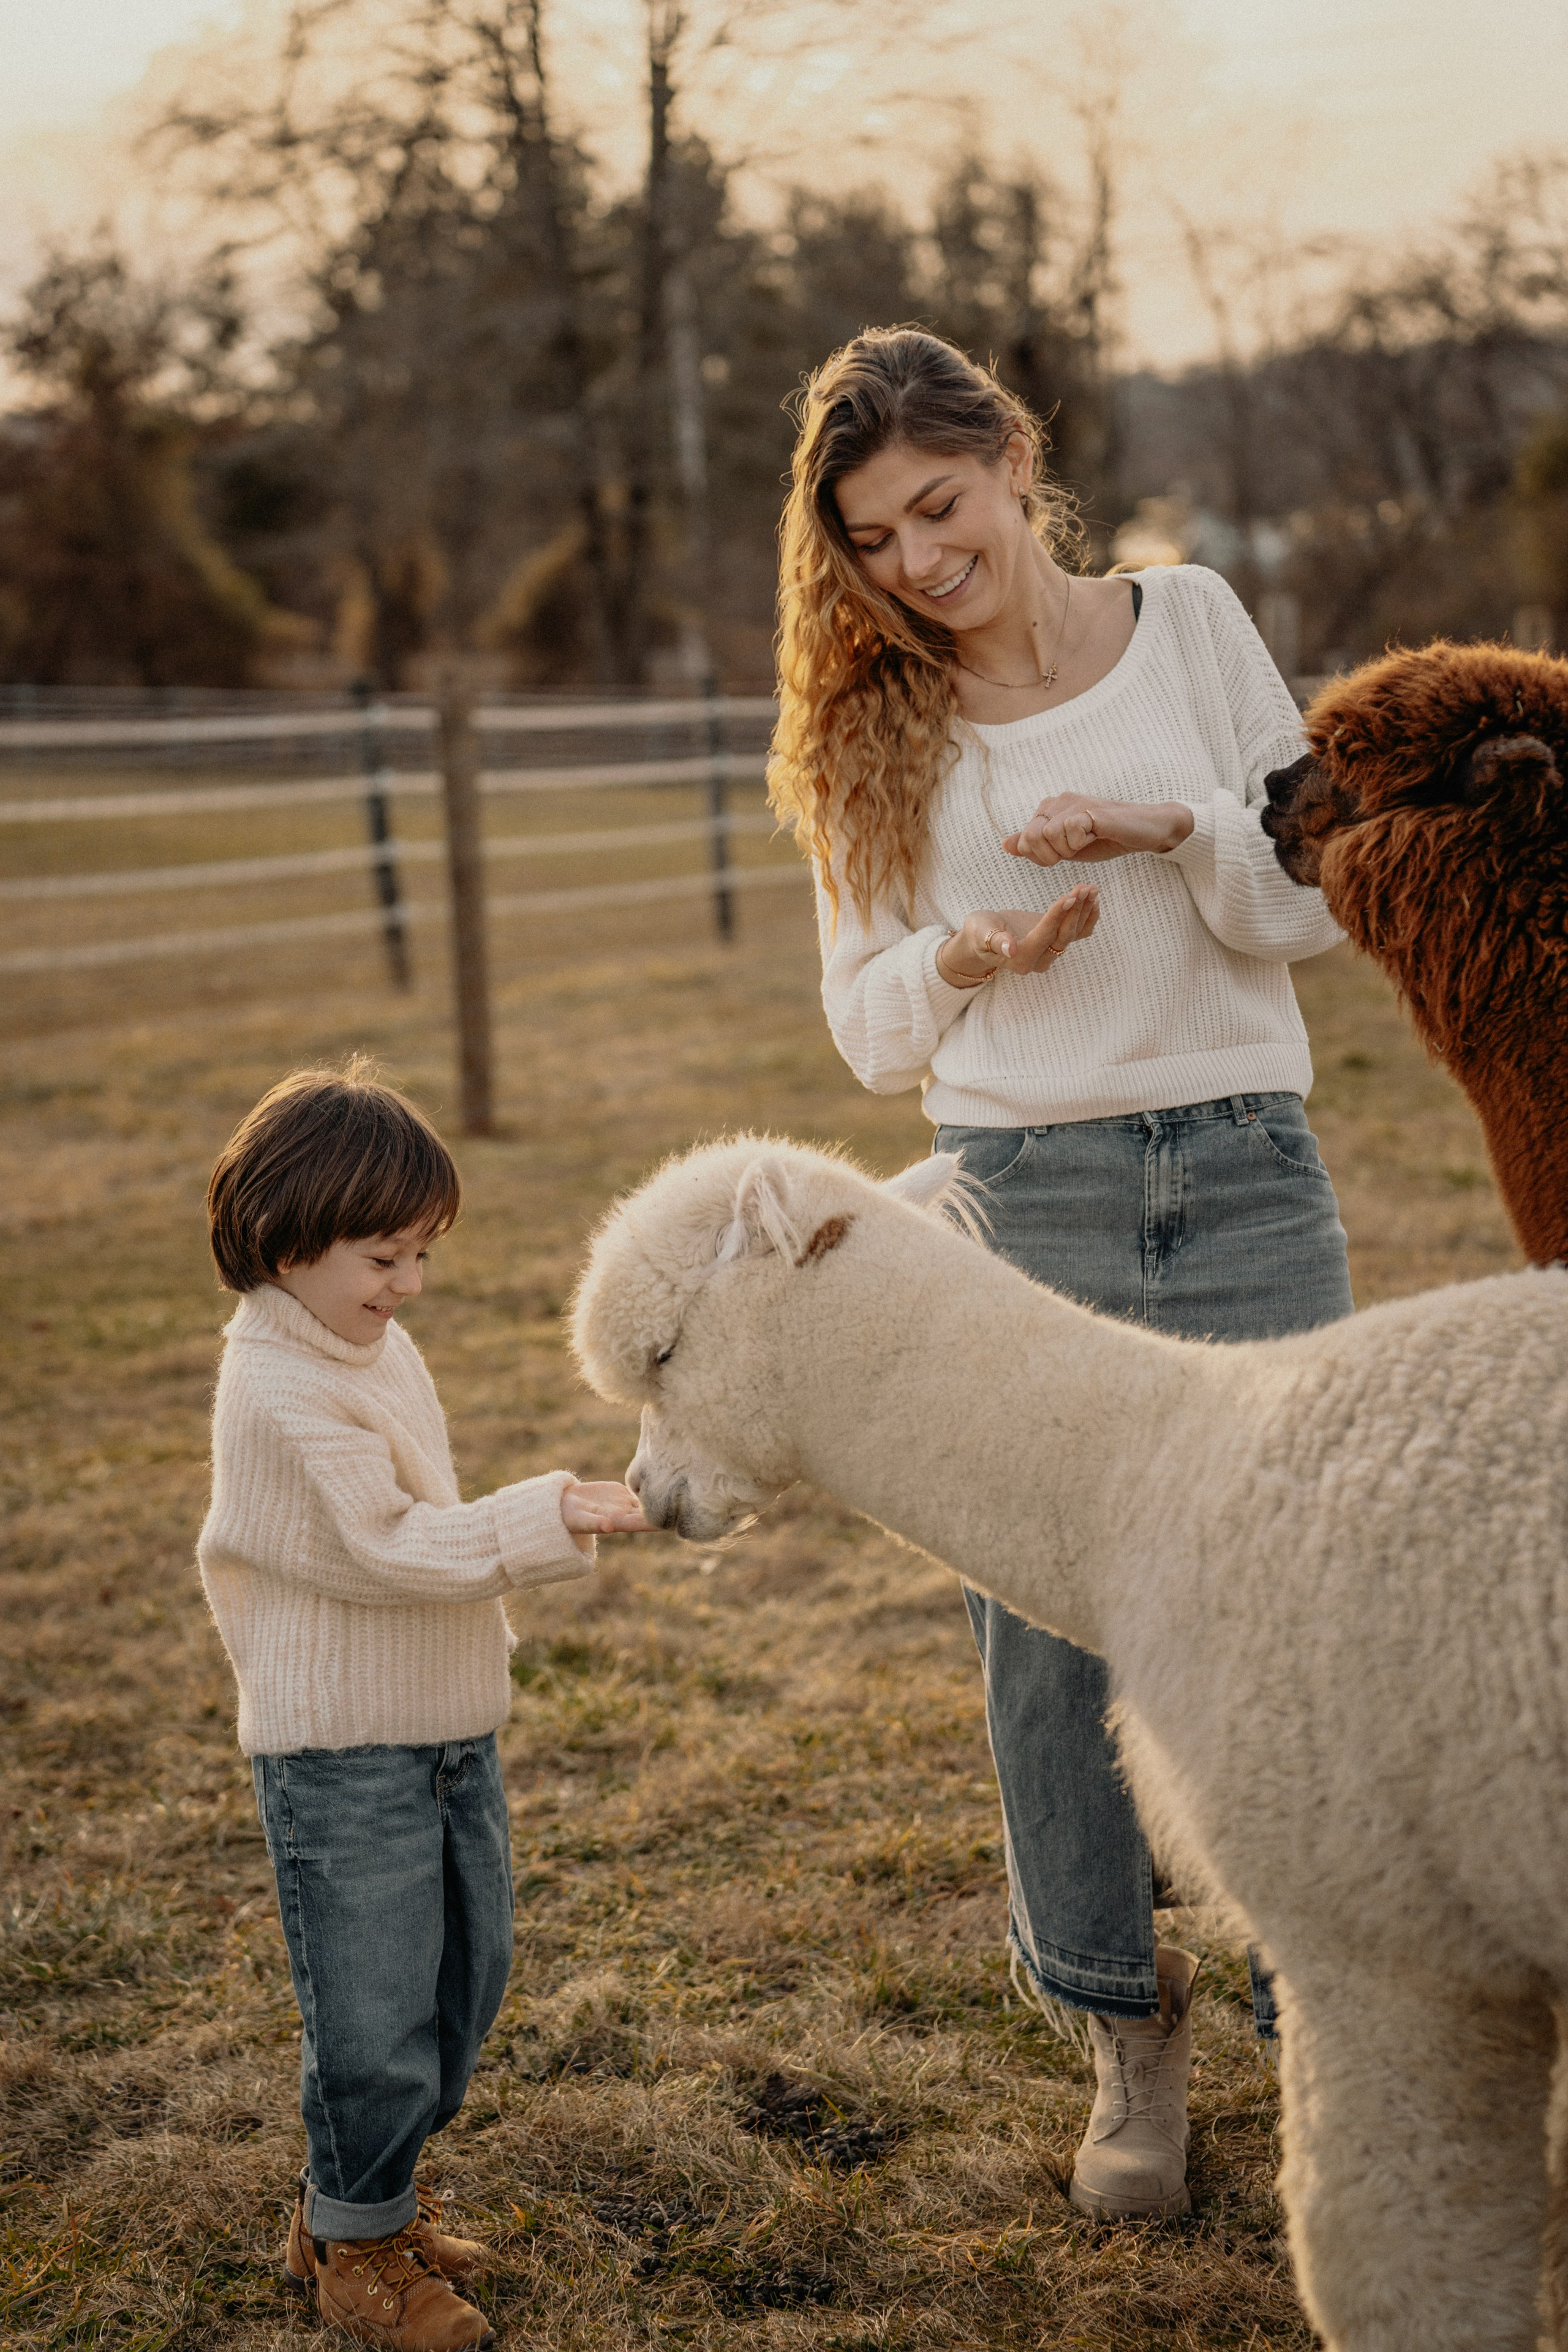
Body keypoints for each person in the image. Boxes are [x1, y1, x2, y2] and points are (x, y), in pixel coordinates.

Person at [768, 327, 1351, 2222]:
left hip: (1248, 1172)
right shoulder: (877, 722)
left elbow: (1306, 903)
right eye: (872, 538)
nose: (918, 560)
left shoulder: (1187, 625)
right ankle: (1126, 2022)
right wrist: (971, 958)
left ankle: (1327, 2011)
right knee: (1052, 1652)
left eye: (940, 506)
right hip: (1028, 1198)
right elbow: (866, 1026)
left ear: (1013, 461)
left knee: (1296, 1607)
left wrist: (1169, 827)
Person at [198, 1061, 646, 2349]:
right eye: (381, 1257)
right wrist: (542, 1512)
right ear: (285, 1238)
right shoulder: (277, 1388)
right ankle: (354, 2245)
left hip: (446, 1729)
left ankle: (365, 2194)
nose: (404, 1287)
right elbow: (389, 1545)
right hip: (344, 1756)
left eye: (418, 1260)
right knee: (373, 2011)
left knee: (467, 1977)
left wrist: (518, 1524)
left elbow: (418, 1529)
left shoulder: (364, 1341)